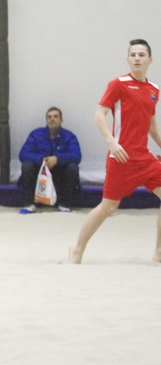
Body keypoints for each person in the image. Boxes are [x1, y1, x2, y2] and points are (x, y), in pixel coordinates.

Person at [69, 39, 161, 264]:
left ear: (150, 60)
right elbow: (99, 114)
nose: (137, 58)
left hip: (145, 159)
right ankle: (77, 249)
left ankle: (158, 252)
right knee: (108, 207)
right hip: (121, 158)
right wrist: (111, 142)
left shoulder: (154, 89)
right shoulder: (118, 84)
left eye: (141, 55)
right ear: (128, 59)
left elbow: (151, 126)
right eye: (133, 55)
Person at [17, 106, 81, 214]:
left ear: (61, 120)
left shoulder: (70, 136)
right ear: (46, 120)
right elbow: (23, 154)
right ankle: (29, 205)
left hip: (59, 174)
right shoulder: (35, 134)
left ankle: (65, 205)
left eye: (55, 116)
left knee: (73, 167)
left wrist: (57, 159)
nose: (52, 119)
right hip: (40, 173)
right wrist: (42, 160)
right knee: (27, 165)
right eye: (49, 117)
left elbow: (77, 156)